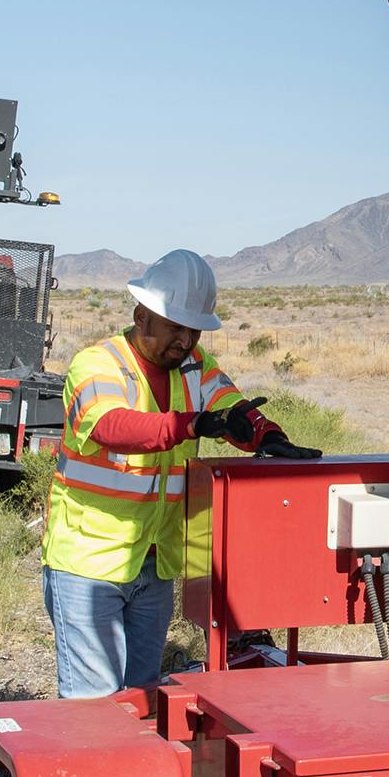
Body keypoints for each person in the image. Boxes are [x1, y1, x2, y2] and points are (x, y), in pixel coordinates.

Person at [42, 248, 287, 699]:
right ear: (141, 315)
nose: (186, 340)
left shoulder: (194, 367)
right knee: (94, 703)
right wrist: (187, 424)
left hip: (154, 562)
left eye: (193, 329)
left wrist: (265, 435)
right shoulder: (97, 365)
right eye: (175, 326)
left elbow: (230, 408)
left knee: (141, 699)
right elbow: (111, 425)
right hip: (89, 562)